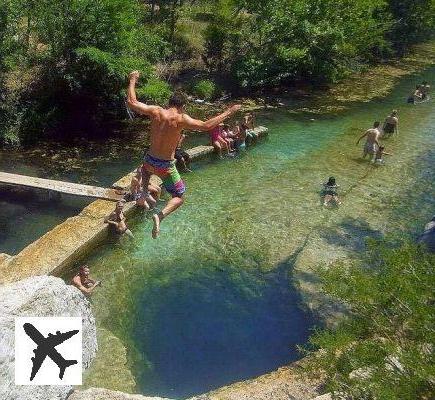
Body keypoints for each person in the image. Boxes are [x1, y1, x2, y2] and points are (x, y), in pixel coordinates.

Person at [127, 70, 241, 238]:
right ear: (183, 106)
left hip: (150, 160)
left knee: (145, 168)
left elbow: (132, 101)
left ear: (169, 103)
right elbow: (206, 125)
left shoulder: (156, 111)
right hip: (165, 166)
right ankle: (160, 215)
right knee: (179, 196)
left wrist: (132, 79)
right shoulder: (181, 119)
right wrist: (229, 112)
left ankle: (144, 191)